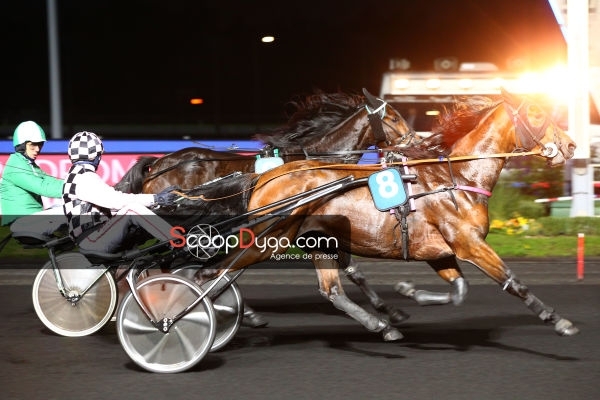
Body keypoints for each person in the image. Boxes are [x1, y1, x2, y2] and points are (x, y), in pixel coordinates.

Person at [62, 131, 178, 254]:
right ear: (94, 156)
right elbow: (117, 201)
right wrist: (156, 199)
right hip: (92, 239)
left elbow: (109, 207)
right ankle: (177, 240)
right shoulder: (84, 177)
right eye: (99, 155)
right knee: (131, 209)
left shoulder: (76, 175)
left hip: (93, 236)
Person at [0, 121, 65, 236]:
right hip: (22, 222)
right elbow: (43, 188)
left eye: (40, 144)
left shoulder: (27, 163)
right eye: (33, 145)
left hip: (30, 219)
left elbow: (49, 180)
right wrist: (75, 189)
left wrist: (71, 183)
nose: (37, 149)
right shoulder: (16, 167)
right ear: (22, 145)